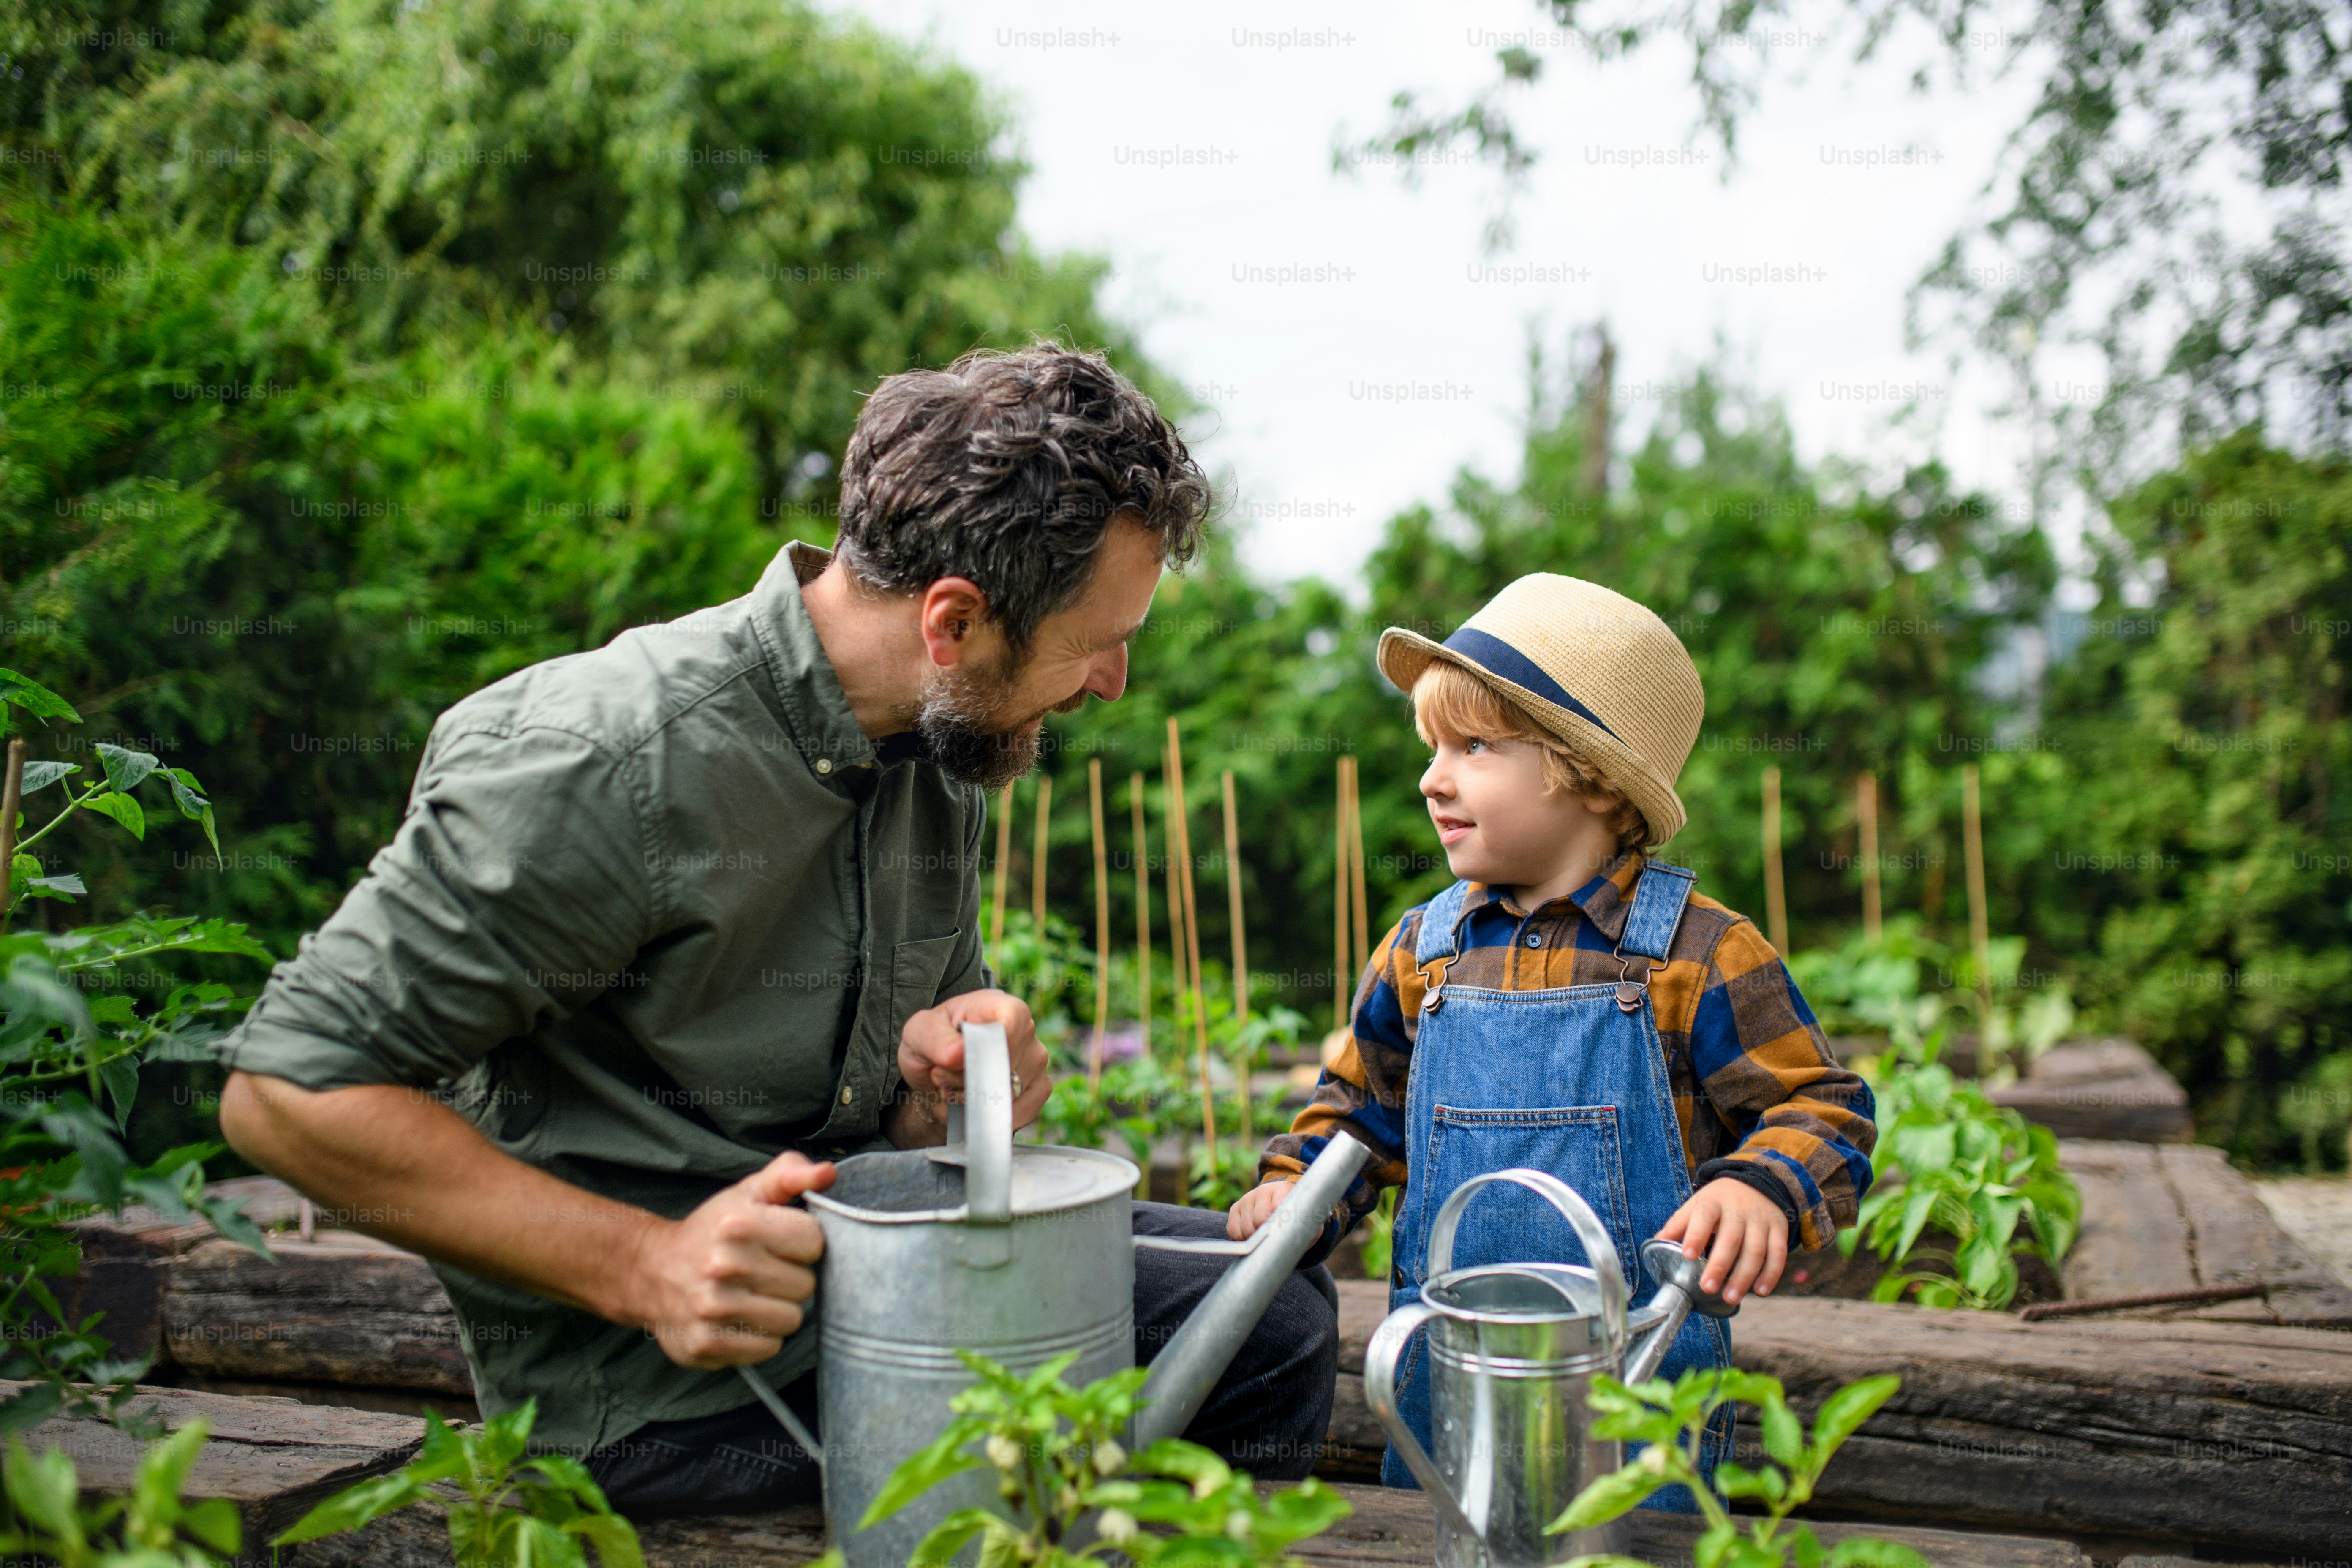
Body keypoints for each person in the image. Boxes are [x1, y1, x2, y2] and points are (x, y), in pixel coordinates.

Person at [214, 342, 1339, 1515]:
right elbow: (286, 1090)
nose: (1112, 681)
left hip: (858, 1280)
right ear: (953, 621)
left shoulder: (937, 756)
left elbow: (893, 1132)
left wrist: (952, 1076)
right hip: (659, 1387)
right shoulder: (605, 760)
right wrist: (643, 1267)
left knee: (1265, 1306)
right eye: (1095, 640)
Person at [1227, 573, 1878, 1510]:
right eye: (1434, 746)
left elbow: (1823, 1104)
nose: (1432, 777)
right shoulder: (1426, 950)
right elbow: (1360, 1112)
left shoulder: (1697, 953)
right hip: (1445, 1395)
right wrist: (1298, 1191)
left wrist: (1758, 1182)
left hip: (1641, 1415)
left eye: (1475, 745)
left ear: (1589, 773)